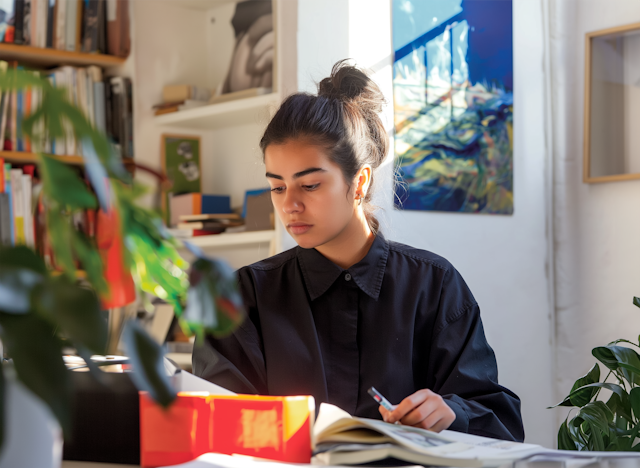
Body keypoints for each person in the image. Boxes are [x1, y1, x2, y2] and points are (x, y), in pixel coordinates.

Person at [193, 60, 524, 442]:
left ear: (359, 181)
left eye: (310, 185)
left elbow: (500, 421)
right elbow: (215, 427)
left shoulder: (434, 286)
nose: (290, 205)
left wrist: (452, 412)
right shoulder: (242, 297)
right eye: (278, 187)